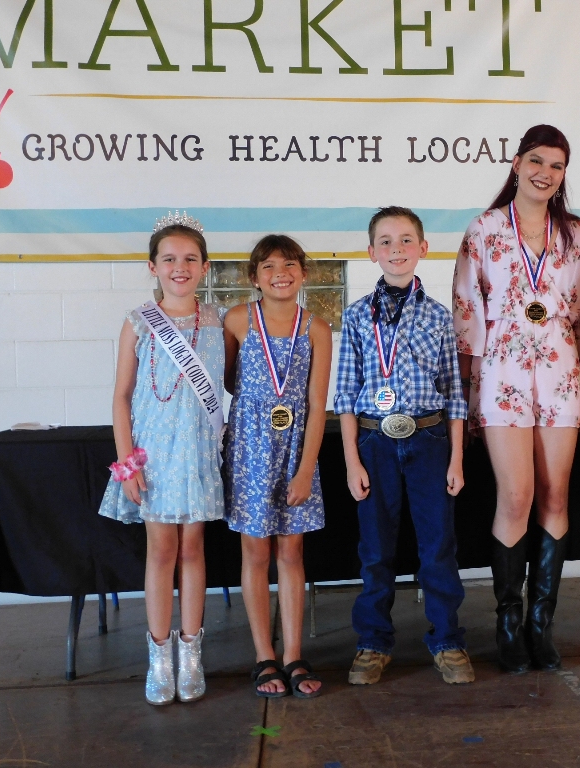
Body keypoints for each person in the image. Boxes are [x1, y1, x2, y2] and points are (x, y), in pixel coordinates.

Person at [453, 124, 580, 673]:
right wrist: (467, 392)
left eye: (557, 165)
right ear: (516, 163)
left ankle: (541, 623)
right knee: (515, 497)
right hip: (502, 373)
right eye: (536, 161)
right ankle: (508, 624)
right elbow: (466, 310)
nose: (545, 173)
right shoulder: (485, 228)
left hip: (561, 374)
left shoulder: (576, 234)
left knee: (555, 495)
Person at [334, 206, 473, 686]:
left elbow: (454, 392)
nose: (397, 249)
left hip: (429, 440)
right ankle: (373, 642)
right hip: (374, 442)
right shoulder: (356, 317)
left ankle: (447, 639)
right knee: (376, 550)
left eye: (406, 240)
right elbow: (345, 395)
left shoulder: (438, 317)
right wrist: (351, 461)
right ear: (371, 252)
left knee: (438, 547)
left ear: (423, 249)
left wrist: (456, 457)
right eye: (386, 241)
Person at [99, 211, 225, 706]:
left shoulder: (218, 320)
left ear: (205, 267)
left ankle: (191, 652)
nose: (180, 267)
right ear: (152, 266)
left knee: (193, 549)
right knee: (161, 552)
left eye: (190, 259)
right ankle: (158, 655)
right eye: (169, 259)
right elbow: (121, 397)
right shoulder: (137, 322)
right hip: (153, 457)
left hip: (197, 453)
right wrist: (127, 466)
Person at [223, 235, 332, 699]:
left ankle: (293, 655)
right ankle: (264, 656)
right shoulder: (236, 319)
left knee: (291, 553)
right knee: (255, 554)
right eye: (268, 266)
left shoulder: (318, 328)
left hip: (295, 451)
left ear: (303, 273)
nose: (279, 273)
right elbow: (230, 380)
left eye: (289, 265)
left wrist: (306, 470)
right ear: (254, 277)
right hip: (251, 450)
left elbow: (317, 403)